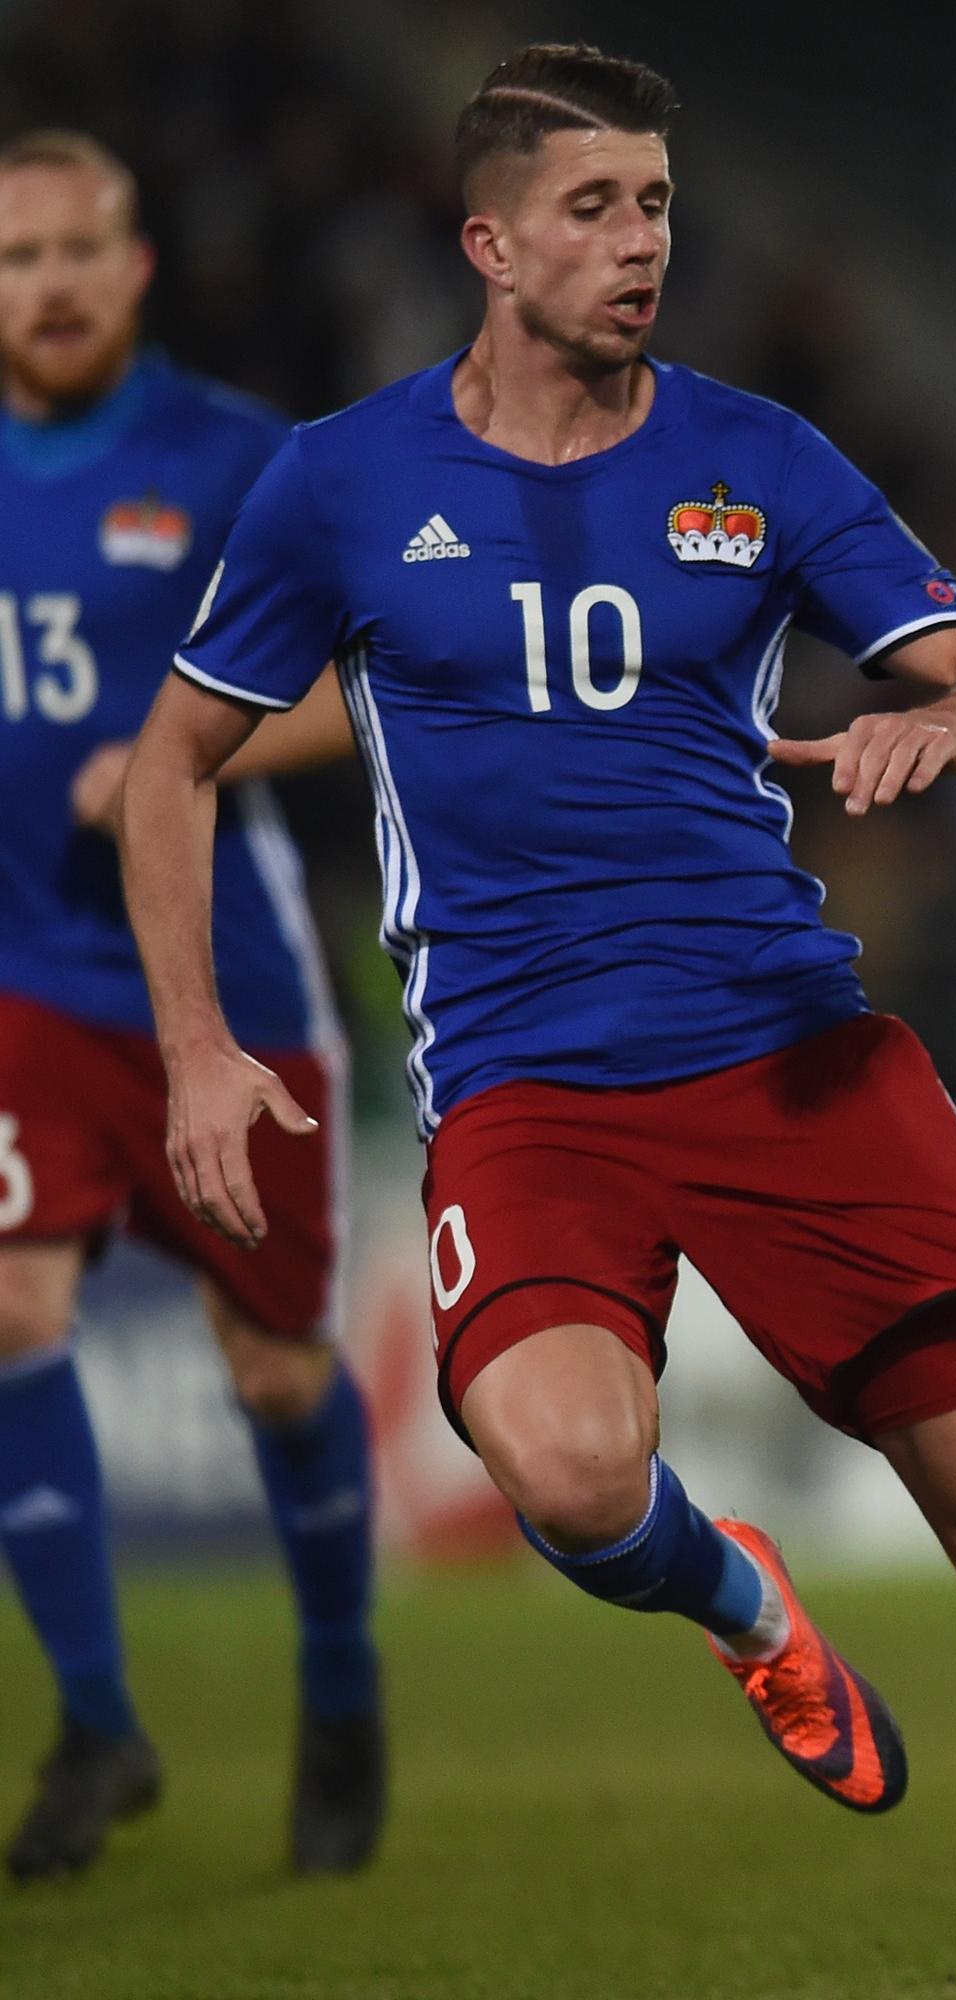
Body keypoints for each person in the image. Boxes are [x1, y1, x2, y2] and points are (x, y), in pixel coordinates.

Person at [116, 47, 956, 1997]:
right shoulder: (342, 479)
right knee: (565, 1472)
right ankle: (744, 1602)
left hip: (786, 1050)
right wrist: (197, 1042)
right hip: (531, 1086)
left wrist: (948, 716)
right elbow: (178, 762)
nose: (640, 245)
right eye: (596, 209)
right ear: (488, 241)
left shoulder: (761, 455)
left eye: (660, 207)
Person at [0, 127, 377, 1882]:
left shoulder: (234, 458)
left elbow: (368, 683)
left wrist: (172, 752)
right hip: (22, 978)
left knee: (281, 1371)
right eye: (18, 259)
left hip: (218, 982)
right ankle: (95, 1716)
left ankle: (338, 1680)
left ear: (135, 267)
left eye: (79, 250)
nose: (50, 285)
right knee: (11, 1303)